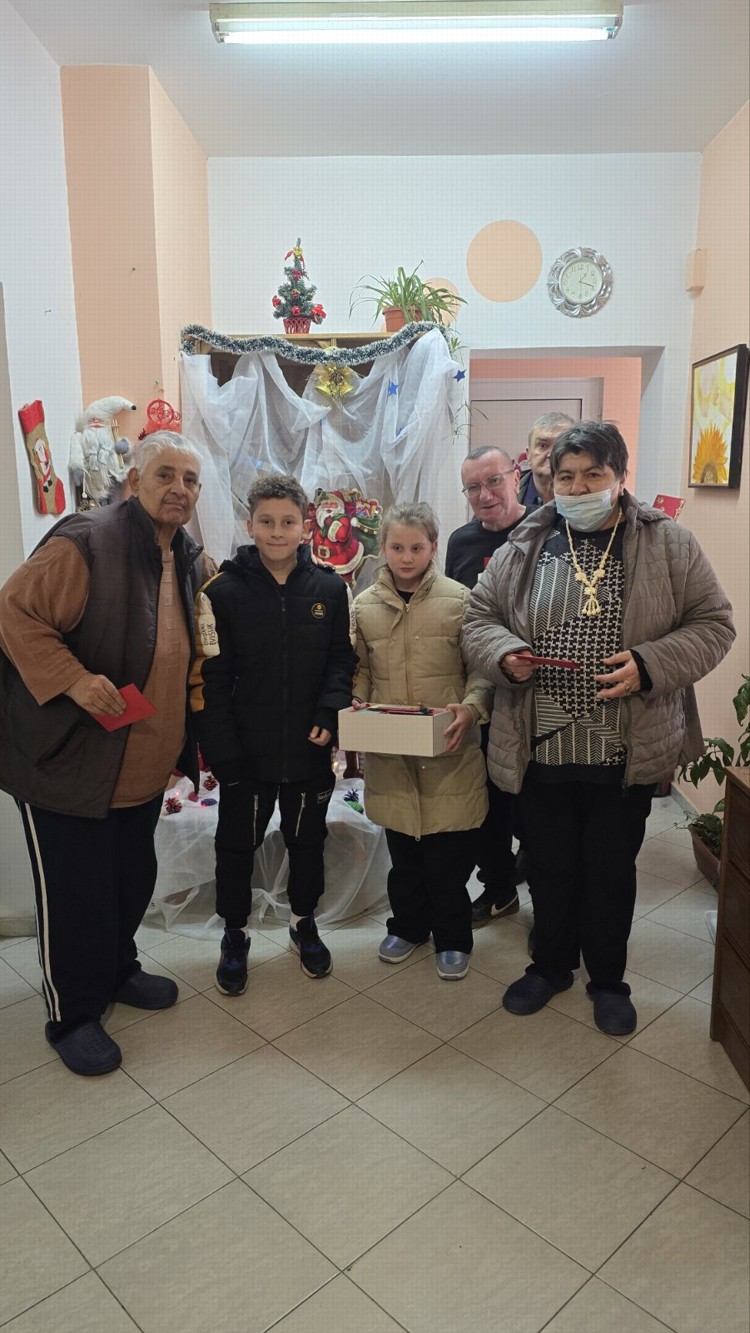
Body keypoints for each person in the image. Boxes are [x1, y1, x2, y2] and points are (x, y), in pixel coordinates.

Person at [464, 421, 734, 1035]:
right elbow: (479, 616)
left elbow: (714, 624)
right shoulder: (526, 542)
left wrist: (648, 664)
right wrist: (504, 653)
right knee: (550, 866)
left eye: (593, 474)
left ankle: (608, 980)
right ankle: (551, 967)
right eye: (566, 476)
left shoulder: (667, 543)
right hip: (541, 746)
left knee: (611, 872)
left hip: (624, 750)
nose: (579, 487)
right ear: (548, 481)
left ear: (619, 476)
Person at [0, 431, 205, 1076]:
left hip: (139, 765)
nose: (179, 488)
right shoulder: (87, 541)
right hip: (69, 763)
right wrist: (72, 679)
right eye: (165, 474)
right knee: (76, 895)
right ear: (134, 481)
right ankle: (73, 1015)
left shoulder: (186, 554)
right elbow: (13, 613)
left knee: (128, 880)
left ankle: (117, 969)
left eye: (191, 479)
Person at [190, 473, 356, 994]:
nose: (277, 532)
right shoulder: (221, 592)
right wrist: (222, 751)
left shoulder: (330, 589)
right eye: (267, 521)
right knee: (236, 846)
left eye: (288, 522)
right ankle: (235, 934)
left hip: (308, 749)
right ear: (250, 524)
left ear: (305, 526)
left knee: (307, 842)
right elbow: (209, 678)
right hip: (245, 752)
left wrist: (330, 713)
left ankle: (303, 923)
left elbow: (341, 661)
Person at [354, 501, 493, 979]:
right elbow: (361, 670)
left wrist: (471, 708)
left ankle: (453, 937)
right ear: (383, 547)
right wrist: (356, 704)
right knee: (404, 858)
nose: (406, 557)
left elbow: (481, 670)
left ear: (433, 547)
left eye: (417, 547)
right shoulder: (364, 606)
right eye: (397, 547)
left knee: (447, 864)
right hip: (393, 757)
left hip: (450, 754)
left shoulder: (461, 600)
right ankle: (409, 926)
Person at [446, 445, 531, 926]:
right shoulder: (460, 542)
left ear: (515, 477)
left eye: (494, 481)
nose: (485, 495)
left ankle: (549, 903)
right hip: (484, 693)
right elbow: (458, 617)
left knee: (536, 808)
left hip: (538, 693)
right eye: (473, 487)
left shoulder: (548, 529)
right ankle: (499, 888)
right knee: (490, 803)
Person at [517, 412, 575, 507]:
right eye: (542, 445)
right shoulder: (507, 494)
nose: (551, 454)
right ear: (528, 454)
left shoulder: (588, 495)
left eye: (561, 446)